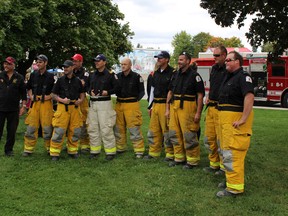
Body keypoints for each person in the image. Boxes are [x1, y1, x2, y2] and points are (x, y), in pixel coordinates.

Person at [216, 51, 254, 198]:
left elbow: (249, 96)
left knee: (233, 154)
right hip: (226, 122)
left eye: (228, 60)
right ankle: (229, 181)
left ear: (237, 61)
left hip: (235, 123)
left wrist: (243, 118)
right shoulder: (229, 77)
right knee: (226, 152)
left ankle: (234, 189)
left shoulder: (243, 77)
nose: (225, 63)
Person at [166, 52, 205, 169]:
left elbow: (200, 95)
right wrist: (167, 109)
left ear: (188, 61)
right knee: (174, 133)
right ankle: (179, 158)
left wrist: (198, 113)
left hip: (188, 107)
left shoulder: (195, 76)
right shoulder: (175, 75)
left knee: (189, 134)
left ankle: (192, 161)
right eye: (178, 59)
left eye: (181, 60)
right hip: (175, 106)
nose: (179, 61)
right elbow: (170, 92)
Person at [50, 60, 85, 161]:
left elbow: (82, 93)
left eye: (67, 67)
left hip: (74, 108)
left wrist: (81, 100)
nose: (65, 68)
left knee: (75, 131)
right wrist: (62, 100)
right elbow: (53, 94)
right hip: (62, 108)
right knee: (59, 131)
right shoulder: (60, 80)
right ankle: (55, 153)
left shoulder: (78, 81)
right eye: (64, 67)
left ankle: (72, 151)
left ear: (72, 67)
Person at [87, 54, 119, 160]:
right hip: (93, 103)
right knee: (92, 128)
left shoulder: (110, 75)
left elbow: (117, 88)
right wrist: (89, 91)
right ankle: (95, 150)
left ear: (104, 62)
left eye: (98, 61)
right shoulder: (91, 74)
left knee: (106, 128)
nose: (96, 62)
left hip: (104, 104)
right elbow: (86, 86)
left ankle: (110, 152)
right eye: (95, 61)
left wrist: (107, 92)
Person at [144, 51, 175, 160]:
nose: (158, 60)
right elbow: (152, 91)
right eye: (157, 58)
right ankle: (153, 152)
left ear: (167, 59)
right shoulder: (155, 73)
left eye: (161, 58)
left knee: (166, 130)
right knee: (153, 129)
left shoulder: (172, 73)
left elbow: (171, 92)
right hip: (156, 104)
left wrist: (169, 108)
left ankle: (170, 153)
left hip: (165, 105)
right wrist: (150, 106)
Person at [23, 54, 55, 156]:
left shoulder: (50, 76)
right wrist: (30, 96)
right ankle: (28, 149)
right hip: (35, 103)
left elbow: (55, 90)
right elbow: (28, 88)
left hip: (46, 104)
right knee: (31, 127)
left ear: (46, 63)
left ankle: (50, 149)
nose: (38, 64)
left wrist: (49, 97)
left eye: (40, 62)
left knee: (47, 128)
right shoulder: (33, 75)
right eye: (37, 62)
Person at [114, 58, 145, 158]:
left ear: (130, 65)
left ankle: (139, 150)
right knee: (119, 128)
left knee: (134, 128)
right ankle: (120, 147)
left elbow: (142, 92)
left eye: (125, 64)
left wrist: (134, 101)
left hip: (131, 105)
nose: (123, 66)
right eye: (121, 64)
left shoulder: (136, 77)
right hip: (119, 104)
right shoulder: (117, 76)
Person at [203, 46, 227, 174]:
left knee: (221, 140)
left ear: (224, 55)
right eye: (214, 55)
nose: (214, 58)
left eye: (217, 55)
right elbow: (213, 85)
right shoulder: (213, 69)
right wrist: (208, 95)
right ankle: (214, 164)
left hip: (221, 108)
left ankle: (224, 167)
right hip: (211, 107)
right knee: (209, 138)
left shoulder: (228, 70)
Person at [0, 57, 27, 156]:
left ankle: (9, 150)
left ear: (13, 65)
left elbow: (23, 93)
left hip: (13, 109)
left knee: (11, 131)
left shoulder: (19, 77)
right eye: (4, 64)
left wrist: (23, 106)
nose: (5, 66)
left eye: (8, 64)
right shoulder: (0, 75)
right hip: (1, 108)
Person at [71, 53, 90, 153]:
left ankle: (85, 144)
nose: (74, 63)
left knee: (83, 123)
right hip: (71, 100)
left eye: (76, 61)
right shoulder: (70, 71)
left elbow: (85, 86)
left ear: (81, 62)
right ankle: (71, 143)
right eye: (73, 61)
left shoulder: (85, 73)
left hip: (82, 100)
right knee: (71, 123)